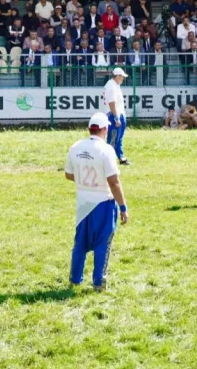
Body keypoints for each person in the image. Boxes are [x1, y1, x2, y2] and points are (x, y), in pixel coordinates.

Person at [64, 113, 129, 292]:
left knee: (80, 244)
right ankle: (99, 282)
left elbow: (69, 174)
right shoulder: (106, 150)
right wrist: (123, 206)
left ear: (89, 128)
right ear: (105, 129)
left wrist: (84, 181)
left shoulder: (75, 147)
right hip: (104, 203)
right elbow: (114, 181)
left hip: (83, 203)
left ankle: (74, 279)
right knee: (103, 244)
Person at [103, 67, 130, 165]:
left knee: (119, 138)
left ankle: (121, 157)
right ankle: (107, 160)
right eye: (122, 77)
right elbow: (112, 103)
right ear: (117, 76)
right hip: (114, 115)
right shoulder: (111, 86)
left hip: (119, 113)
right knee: (113, 138)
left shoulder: (114, 85)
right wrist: (116, 118)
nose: (123, 79)